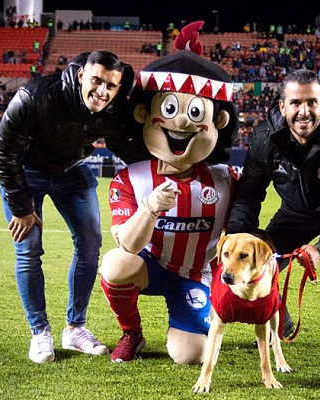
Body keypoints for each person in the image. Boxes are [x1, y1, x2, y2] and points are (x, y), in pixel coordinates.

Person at [99, 22, 239, 365]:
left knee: (189, 356)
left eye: (196, 114)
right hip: (148, 266)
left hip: (194, 275)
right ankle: (131, 332)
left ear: (217, 122)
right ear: (145, 116)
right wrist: (149, 208)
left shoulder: (226, 179)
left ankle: (189, 319)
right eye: (170, 111)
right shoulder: (129, 179)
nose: (182, 125)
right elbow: (128, 246)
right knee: (115, 263)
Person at [0, 50, 137, 363]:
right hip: (25, 172)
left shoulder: (114, 109)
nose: (102, 91)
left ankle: (75, 329)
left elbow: (128, 145)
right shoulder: (35, 97)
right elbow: (3, 151)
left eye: (110, 86)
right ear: (80, 75)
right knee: (28, 249)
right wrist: (21, 206)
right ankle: (39, 332)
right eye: (96, 81)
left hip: (71, 170)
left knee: (91, 244)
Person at [226, 69, 320, 389]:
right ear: (282, 106)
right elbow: (249, 194)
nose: (304, 111)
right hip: (295, 213)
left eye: (312, 102)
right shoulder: (263, 139)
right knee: (256, 258)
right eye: (296, 103)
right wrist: (237, 232)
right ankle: (277, 313)